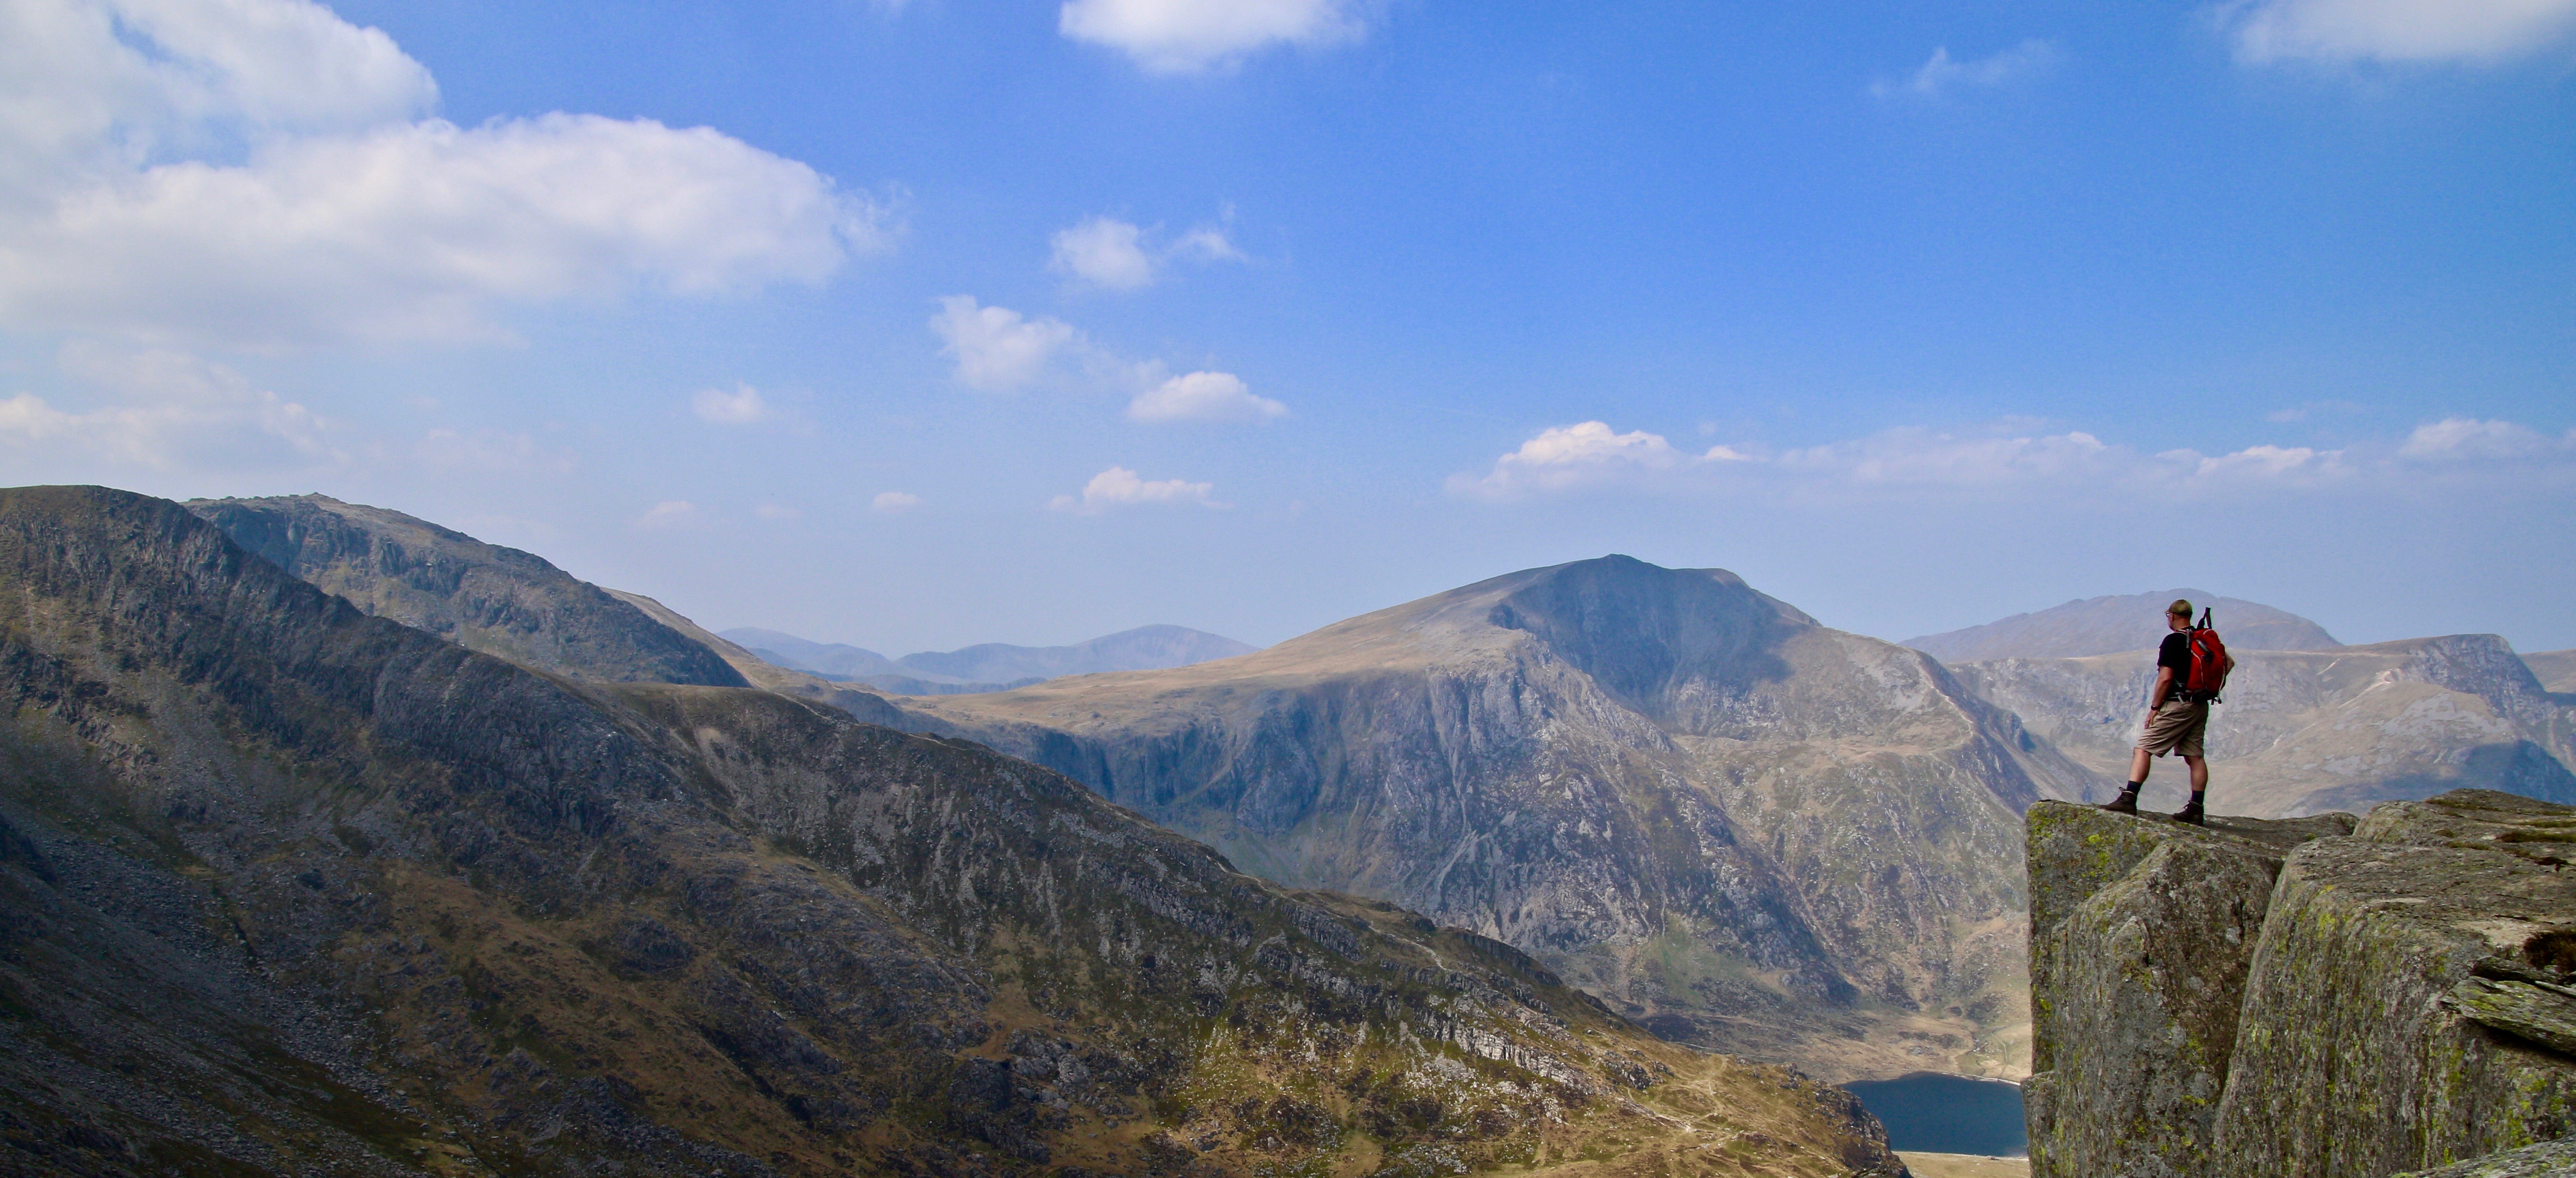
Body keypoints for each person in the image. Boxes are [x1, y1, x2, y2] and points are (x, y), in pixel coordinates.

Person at [2100, 598, 2211, 825]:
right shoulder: (2203, 639)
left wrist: (2155, 708)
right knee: (2195, 756)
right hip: (2200, 705)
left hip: (2178, 704)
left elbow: (2165, 678)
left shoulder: (2174, 641)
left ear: (2172, 616)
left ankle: (2129, 799)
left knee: (2143, 748)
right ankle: (2197, 809)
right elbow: (2228, 663)